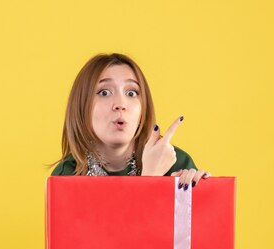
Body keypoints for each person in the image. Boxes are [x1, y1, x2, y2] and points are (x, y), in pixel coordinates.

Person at [50, 53, 210, 190]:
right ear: (81, 105)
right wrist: (150, 179)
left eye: (132, 93)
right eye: (104, 92)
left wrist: (205, 192)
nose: (120, 104)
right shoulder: (67, 175)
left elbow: (200, 225)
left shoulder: (174, 162)